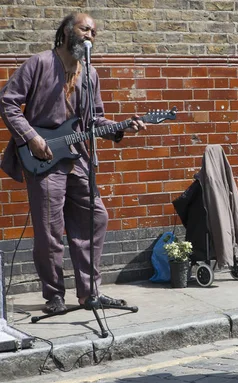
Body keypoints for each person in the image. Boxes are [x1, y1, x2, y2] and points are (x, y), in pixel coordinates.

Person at [0, 13, 146, 314]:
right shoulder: (39, 63)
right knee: (49, 230)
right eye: (85, 29)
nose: (90, 35)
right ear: (67, 31)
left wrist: (122, 126)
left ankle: (89, 293)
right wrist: (30, 138)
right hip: (43, 157)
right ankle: (53, 295)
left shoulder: (90, 74)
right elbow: (7, 102)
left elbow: (93, 120)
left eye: (94, 32)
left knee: (96, 218)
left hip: (77, 156)